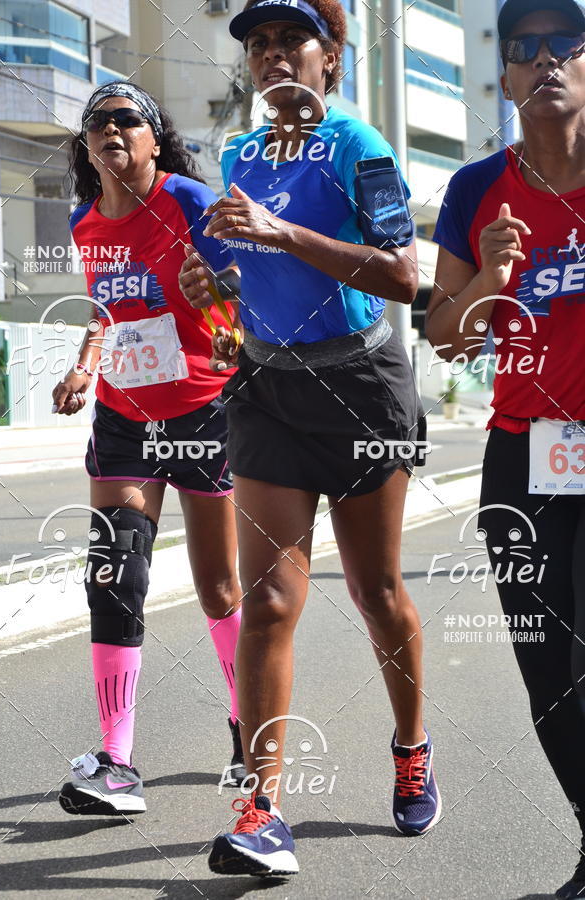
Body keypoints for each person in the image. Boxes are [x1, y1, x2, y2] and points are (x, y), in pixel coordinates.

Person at [178, 0, 440, 877]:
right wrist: (210, 274)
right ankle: (260, 812)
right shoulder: (240, 154)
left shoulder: (360, 146)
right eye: (258, 44)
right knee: (272, 604)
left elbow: (404, 275)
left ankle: (410, 746)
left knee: (376, 594)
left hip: (360, 388)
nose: (274, 55)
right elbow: (249, 269)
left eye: (292, 40)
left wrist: (279, 231)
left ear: (331, 59)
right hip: (268, 391)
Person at [52, 81, 245, 817]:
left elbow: (239, 296)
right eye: (97, 122)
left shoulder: (190, 203)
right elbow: (107, 307)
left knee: (219, 588)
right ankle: (116, 761)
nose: (110, 129)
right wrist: (84, 364)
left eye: (126, 118)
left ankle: (246, 724)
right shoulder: (83, 223)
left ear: (153, 138)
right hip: (125, 420)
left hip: (204, 410)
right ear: (87, 146)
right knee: (114, 571)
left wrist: (214, 302)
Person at [426, 2, 585, 896]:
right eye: (522, 50)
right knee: (548, 680)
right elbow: (448, 337)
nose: (543, 60)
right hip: (524, 457)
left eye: (562, 43)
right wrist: (489, 277)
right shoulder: (476, 189)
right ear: (506, 81)